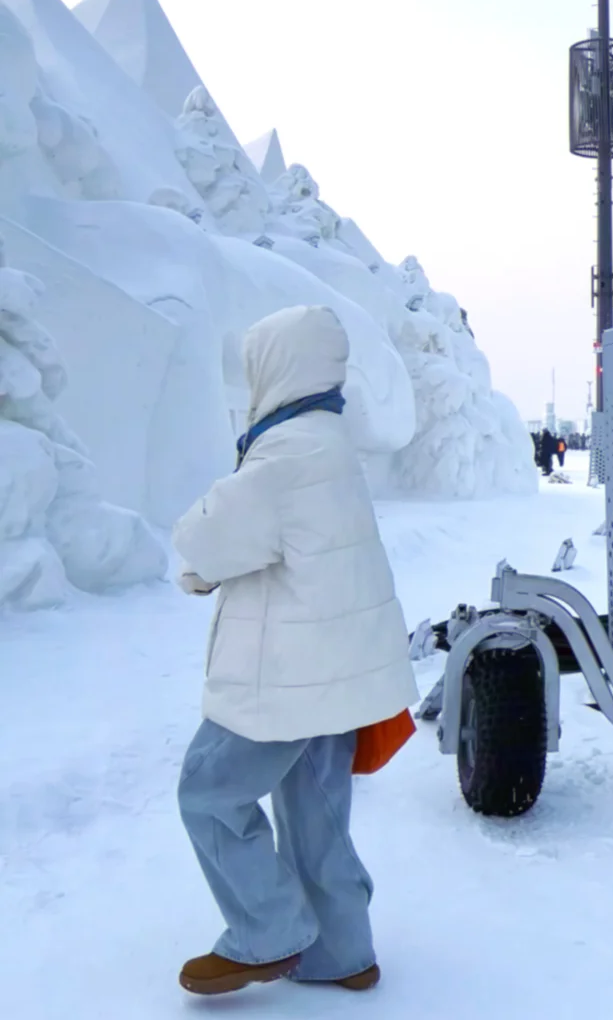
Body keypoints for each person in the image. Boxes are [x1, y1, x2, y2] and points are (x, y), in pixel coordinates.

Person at [172, 304, 418, 997]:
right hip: (334, 675)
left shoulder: (286, 454)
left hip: (288, 676)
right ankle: (343, 950)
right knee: (315, 811)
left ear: (276, 368)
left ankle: (266, 931)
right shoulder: (328, 444)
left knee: (208, 791)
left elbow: (207, 537)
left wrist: (196, 567)